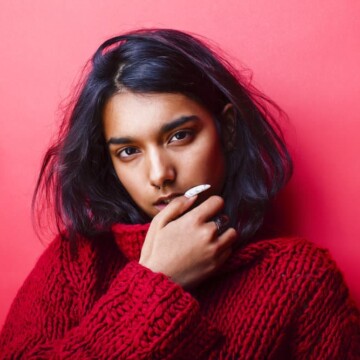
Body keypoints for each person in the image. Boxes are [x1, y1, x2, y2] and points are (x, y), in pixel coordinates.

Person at [0, 28, 359, 359]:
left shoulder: (299, 280)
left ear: (228, 129)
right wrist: (157, 283)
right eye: (129, 151)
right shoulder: (76, 260)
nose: (159, 175)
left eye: (179, 136)